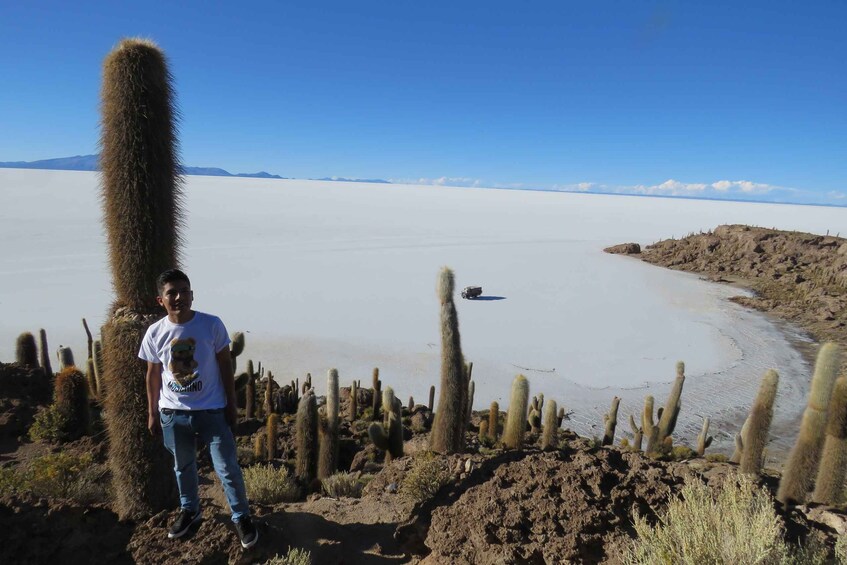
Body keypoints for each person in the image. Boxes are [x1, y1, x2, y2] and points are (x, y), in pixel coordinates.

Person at [139, 268, 258, 549]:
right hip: (173, 413)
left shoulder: (211, 325)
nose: (179, 297)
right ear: (161, 300)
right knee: (183, 466)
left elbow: (226, 365)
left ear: (192, 295)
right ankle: (190, 510)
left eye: (184, 291)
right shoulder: (155, 332)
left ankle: (241, 517)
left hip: (212, 411)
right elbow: (153, 375)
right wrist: (152, 412)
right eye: (172, 293)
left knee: (227, 466)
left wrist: (231, 404)